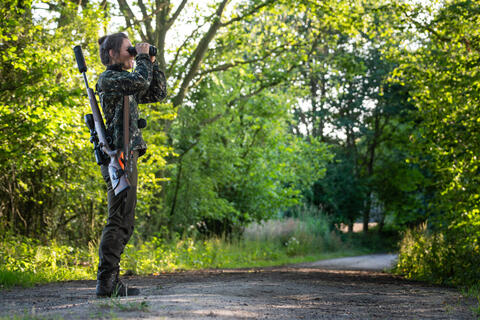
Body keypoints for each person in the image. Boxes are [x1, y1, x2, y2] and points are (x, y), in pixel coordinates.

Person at [95, 32, 166, 297]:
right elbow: (140, 79)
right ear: (112, 53)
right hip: (118, 156)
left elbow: (157, 91)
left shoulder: (126, 81)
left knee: (125, 219)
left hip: (127, 154)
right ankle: (107, 283)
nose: (132, 54)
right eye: (129, 50)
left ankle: (111, 282)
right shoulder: (110, 78)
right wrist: (144, 57)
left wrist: (152, 61)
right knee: (118, 219)